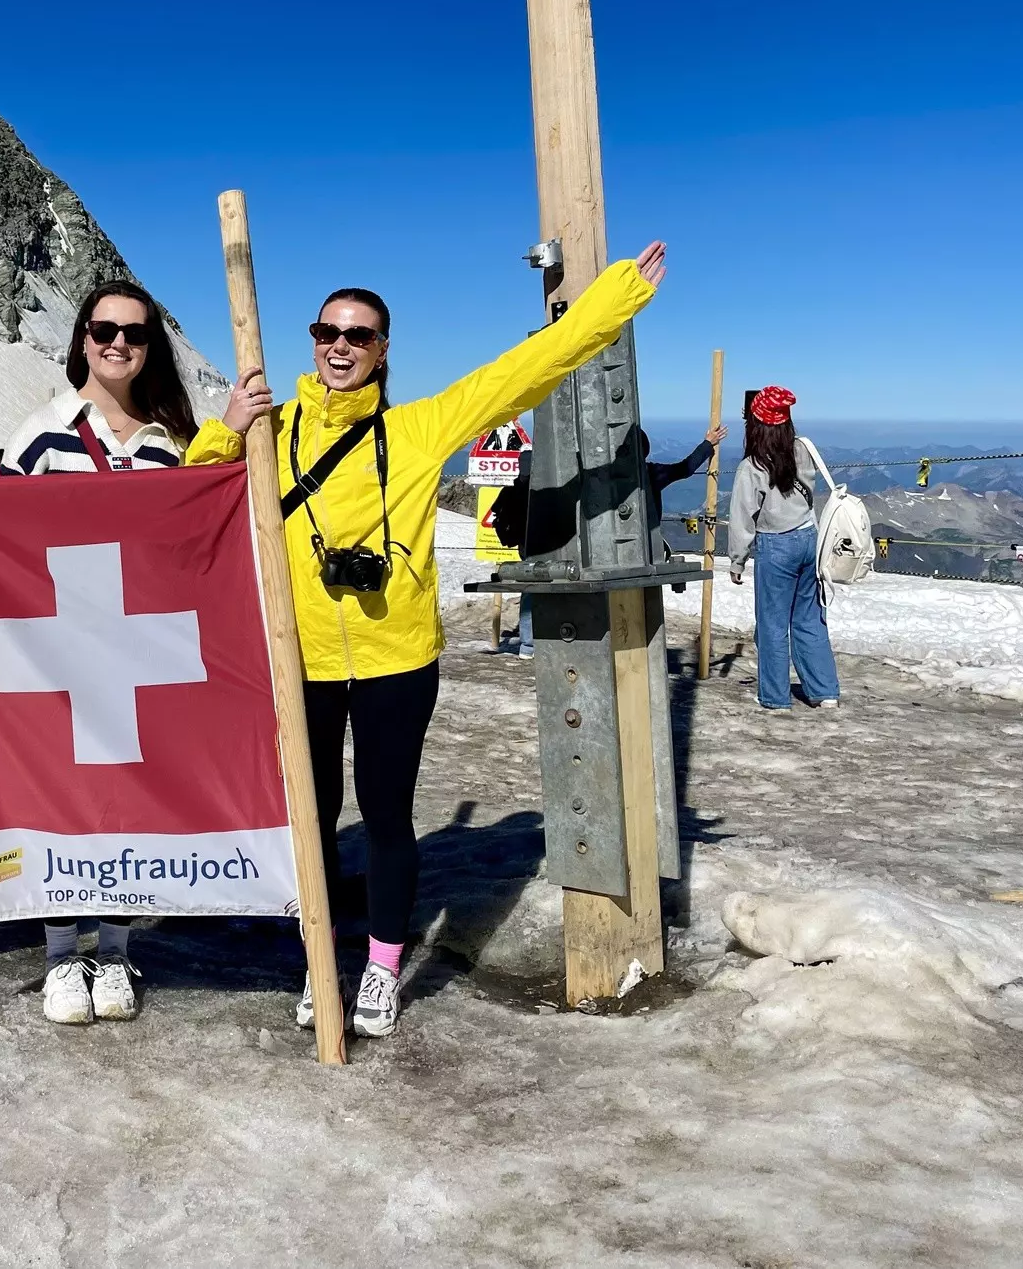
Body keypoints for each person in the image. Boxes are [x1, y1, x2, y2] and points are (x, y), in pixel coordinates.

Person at [190, 242, 671, 1037]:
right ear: (312, 341)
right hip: (298, 656)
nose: (338, 346)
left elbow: (525, 368)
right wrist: (225, 431)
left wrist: (617, 295)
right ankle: (321, 965)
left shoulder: (417, 431)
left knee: (384, 817)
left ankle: (379, 970)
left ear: (383, 351)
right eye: (325, 332)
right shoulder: (269, 430)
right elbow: (193, 494)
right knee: (308, 815)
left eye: (358, 335)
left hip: (396, 661)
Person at [0, 279, 204, 1026]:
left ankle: (114, 949)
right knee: (64, 804)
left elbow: (193, 546)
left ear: (151, 348)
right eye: (104, 328)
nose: (119, 343)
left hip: (141, 651)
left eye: (136, 333)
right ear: (82, 335)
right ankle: (60, 957)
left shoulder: (169, 443)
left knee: (126, 805)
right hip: (61, 655)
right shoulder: (43, 431)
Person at [497, 421, 727, 657]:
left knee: (539, 585)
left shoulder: (597, 477)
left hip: (597, 550)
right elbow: (684, 469)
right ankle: (631, 642)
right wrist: (707, 444)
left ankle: (537, 642)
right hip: (644, 549)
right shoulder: (650, 473)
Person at [727, 385, 841, 713]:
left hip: (776, 545)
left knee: (773, 623)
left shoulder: (753, 466)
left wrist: (738, 560)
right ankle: (824, 691)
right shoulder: (802, 450)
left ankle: (775, 698)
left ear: (757, 424)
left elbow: (742, 516)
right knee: (809, 619)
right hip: (809, 539)